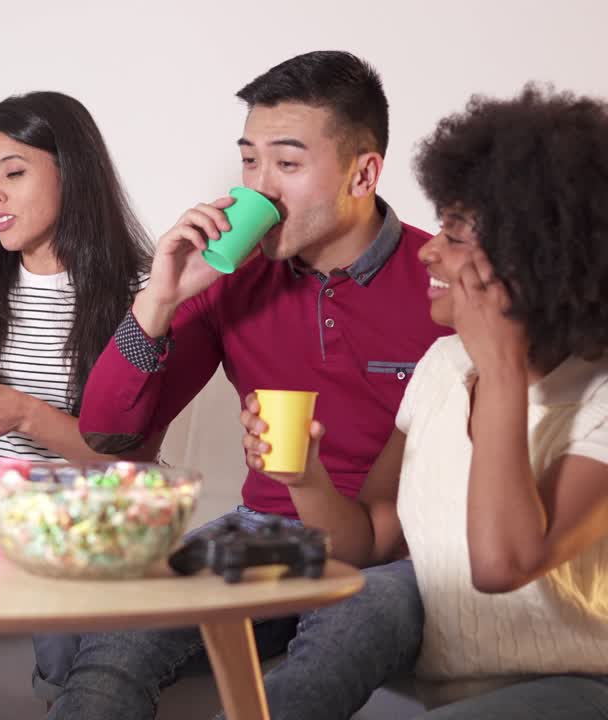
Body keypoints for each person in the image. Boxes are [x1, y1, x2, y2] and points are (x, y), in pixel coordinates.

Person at [52, 51, 450, 720]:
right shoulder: (232, 278)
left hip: (403, 548)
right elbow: (108, 433)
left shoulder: (442, 278)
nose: (259, 189)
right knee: (119, 637)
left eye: (287, 165)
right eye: (249, 161)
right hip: (264, 532)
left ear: (363, 173)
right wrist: (159, 299)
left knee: (343, 636)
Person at [241, 84, 608, 719]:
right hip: (457, 693)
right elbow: (369, 542)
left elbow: (502, 565)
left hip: (582, 685)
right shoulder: (444, 367)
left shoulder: (596, 396)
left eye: (456, 234)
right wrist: (303, 475)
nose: (428, 250)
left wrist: (501, 367)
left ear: (537, 253)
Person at [0, 90, 153, 704]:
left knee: (65, 559)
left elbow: (131, 463)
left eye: (14, 173)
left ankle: (68, 702)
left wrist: (23, 412)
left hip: (86, 503)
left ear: (72, 171)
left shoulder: (142, 290)